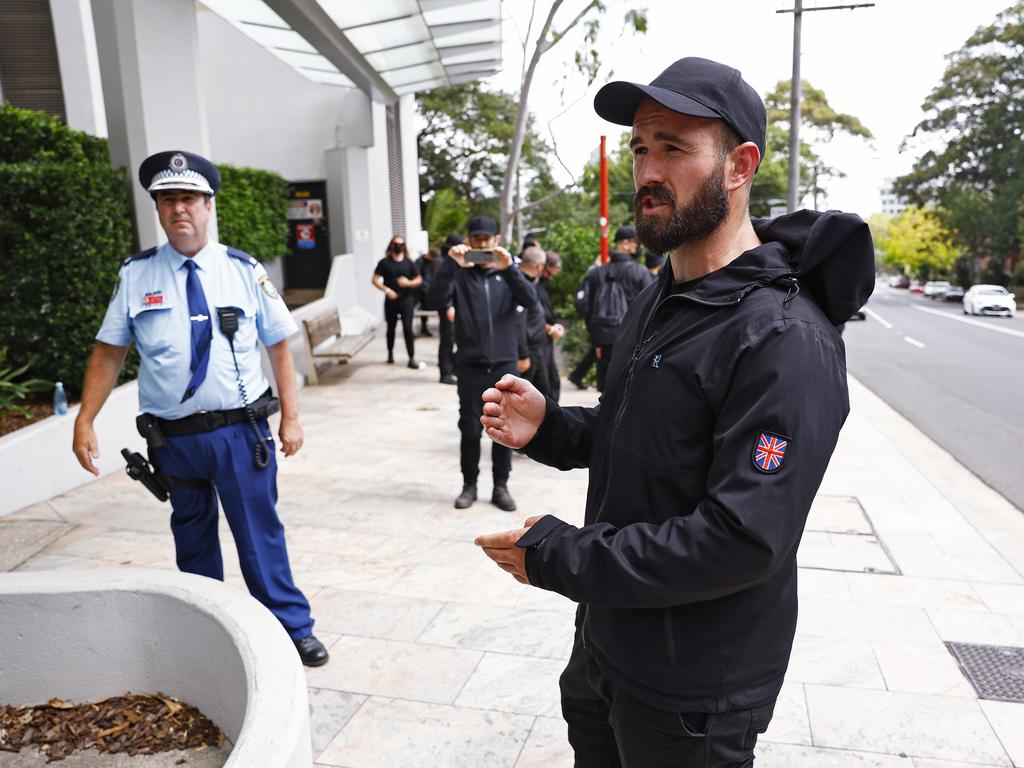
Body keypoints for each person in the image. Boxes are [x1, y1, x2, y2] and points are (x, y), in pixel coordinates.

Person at [473, 56, 874, 767]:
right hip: (607, 644)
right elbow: (646, 431)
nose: (648, 172)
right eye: (640, 148)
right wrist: (554, 429)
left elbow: (741, 538)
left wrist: (563, 556)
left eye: (674, 148)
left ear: (739, 164)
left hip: (694, 690)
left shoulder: (783, 338)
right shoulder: (666, 291)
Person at [72, 150, 329, 667]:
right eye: (167, 200)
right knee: (192, 538)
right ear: (159, 210)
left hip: (241, 433)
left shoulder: (241, 269)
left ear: (209, 206)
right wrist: (85, 417)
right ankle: (206, 629)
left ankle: (290, 628)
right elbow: (110, 350)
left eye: (188, 198)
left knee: (259, 534)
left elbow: (280, 342)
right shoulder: (137, 274)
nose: (178, 209)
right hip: (174, 439)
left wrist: (292, 416)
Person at [428, 215, 538, 512]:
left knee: (504, 428)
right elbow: (434, 298)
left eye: (486, 240)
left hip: (504, 364)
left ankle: (501, 486)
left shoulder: (507, 274)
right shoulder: (460, 275)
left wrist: (510, 269)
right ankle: (469, 485)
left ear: (497, 241)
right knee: (469, 428)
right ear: (469, 241)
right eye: (476, 240)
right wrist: (451, 264)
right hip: (470, 364)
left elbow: (532, 302)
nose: (481, 244)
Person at [576, 225, 652, 392]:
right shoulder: (640, 273)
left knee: (605, 397)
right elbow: (650, 309)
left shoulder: (596, 274)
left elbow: (585, 307)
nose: (637, 248)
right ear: (625, 243)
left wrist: (595, 336)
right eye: (635, 244)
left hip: (604, 342)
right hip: (633, 343)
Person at [372, 235, 424, 369]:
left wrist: (409, 283)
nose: (398, 246)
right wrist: (387, 290)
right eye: (396, 244)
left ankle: (411, 358)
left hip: (406, 301)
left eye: (401, 244)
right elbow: (375, 279)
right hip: (391, 302)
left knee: (407, 329)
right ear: (391, 245)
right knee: (391, 329)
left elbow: (419, 279)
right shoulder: (384, 262)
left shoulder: (409, 262)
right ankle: (390, 352)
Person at [516, 247, 559, 399]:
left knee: (545, 391)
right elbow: (519, 322)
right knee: (524, 392)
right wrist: (523, 354)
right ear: (539, 267)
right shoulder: (520, 285)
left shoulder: (531, 283)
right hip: (528, 347)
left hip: (539, 345)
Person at [435, 234, 462, 385]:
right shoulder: (445, 263)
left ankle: (451, 369)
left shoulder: (453, 262)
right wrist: (448, 305)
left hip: (452, 306)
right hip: (447, 307)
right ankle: (446, 372)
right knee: (447, 340)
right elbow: (444, 288)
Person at [539, 251, 566, 402]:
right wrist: (549, 328)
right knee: (545, 383)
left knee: (552, 381)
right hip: (538, 339)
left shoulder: (542, 285)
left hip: (546, 338)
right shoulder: (533, 285)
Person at [415, 247, 441, 337]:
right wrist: (425, 287)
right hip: (422, 290)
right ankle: (424, 328)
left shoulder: (436, 262)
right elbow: (417, 275)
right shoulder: (419, 262)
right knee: (423, 309)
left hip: (434, 290)